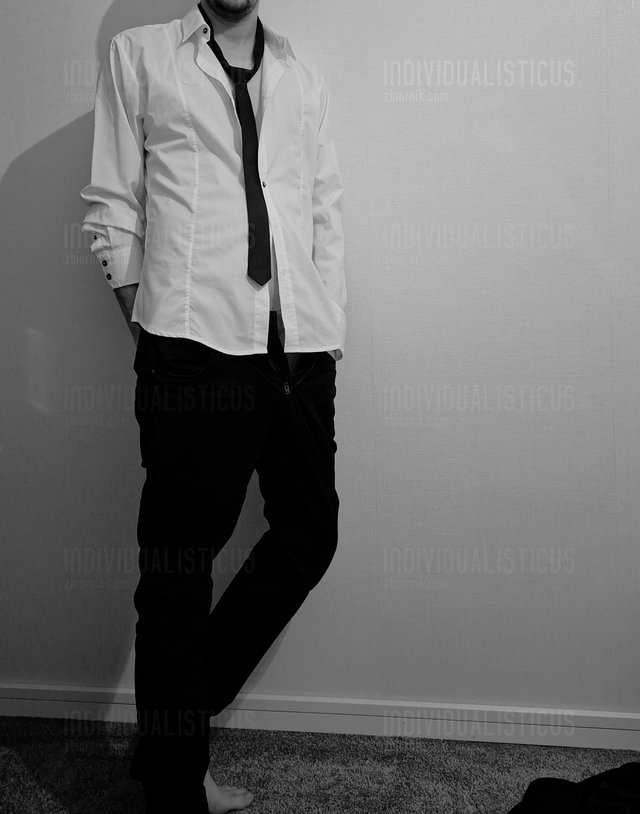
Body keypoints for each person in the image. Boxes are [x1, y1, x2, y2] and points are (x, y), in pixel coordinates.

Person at [80, 0, 346, 811]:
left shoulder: (301, 75)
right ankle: (175, 785)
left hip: (297, 349)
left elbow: (323, 208)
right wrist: (148, 323)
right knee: (178, 567)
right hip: (193, 347)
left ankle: (175, 733)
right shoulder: (142, 56)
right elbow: (112, 200)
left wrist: (329, 326)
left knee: (309, 534)